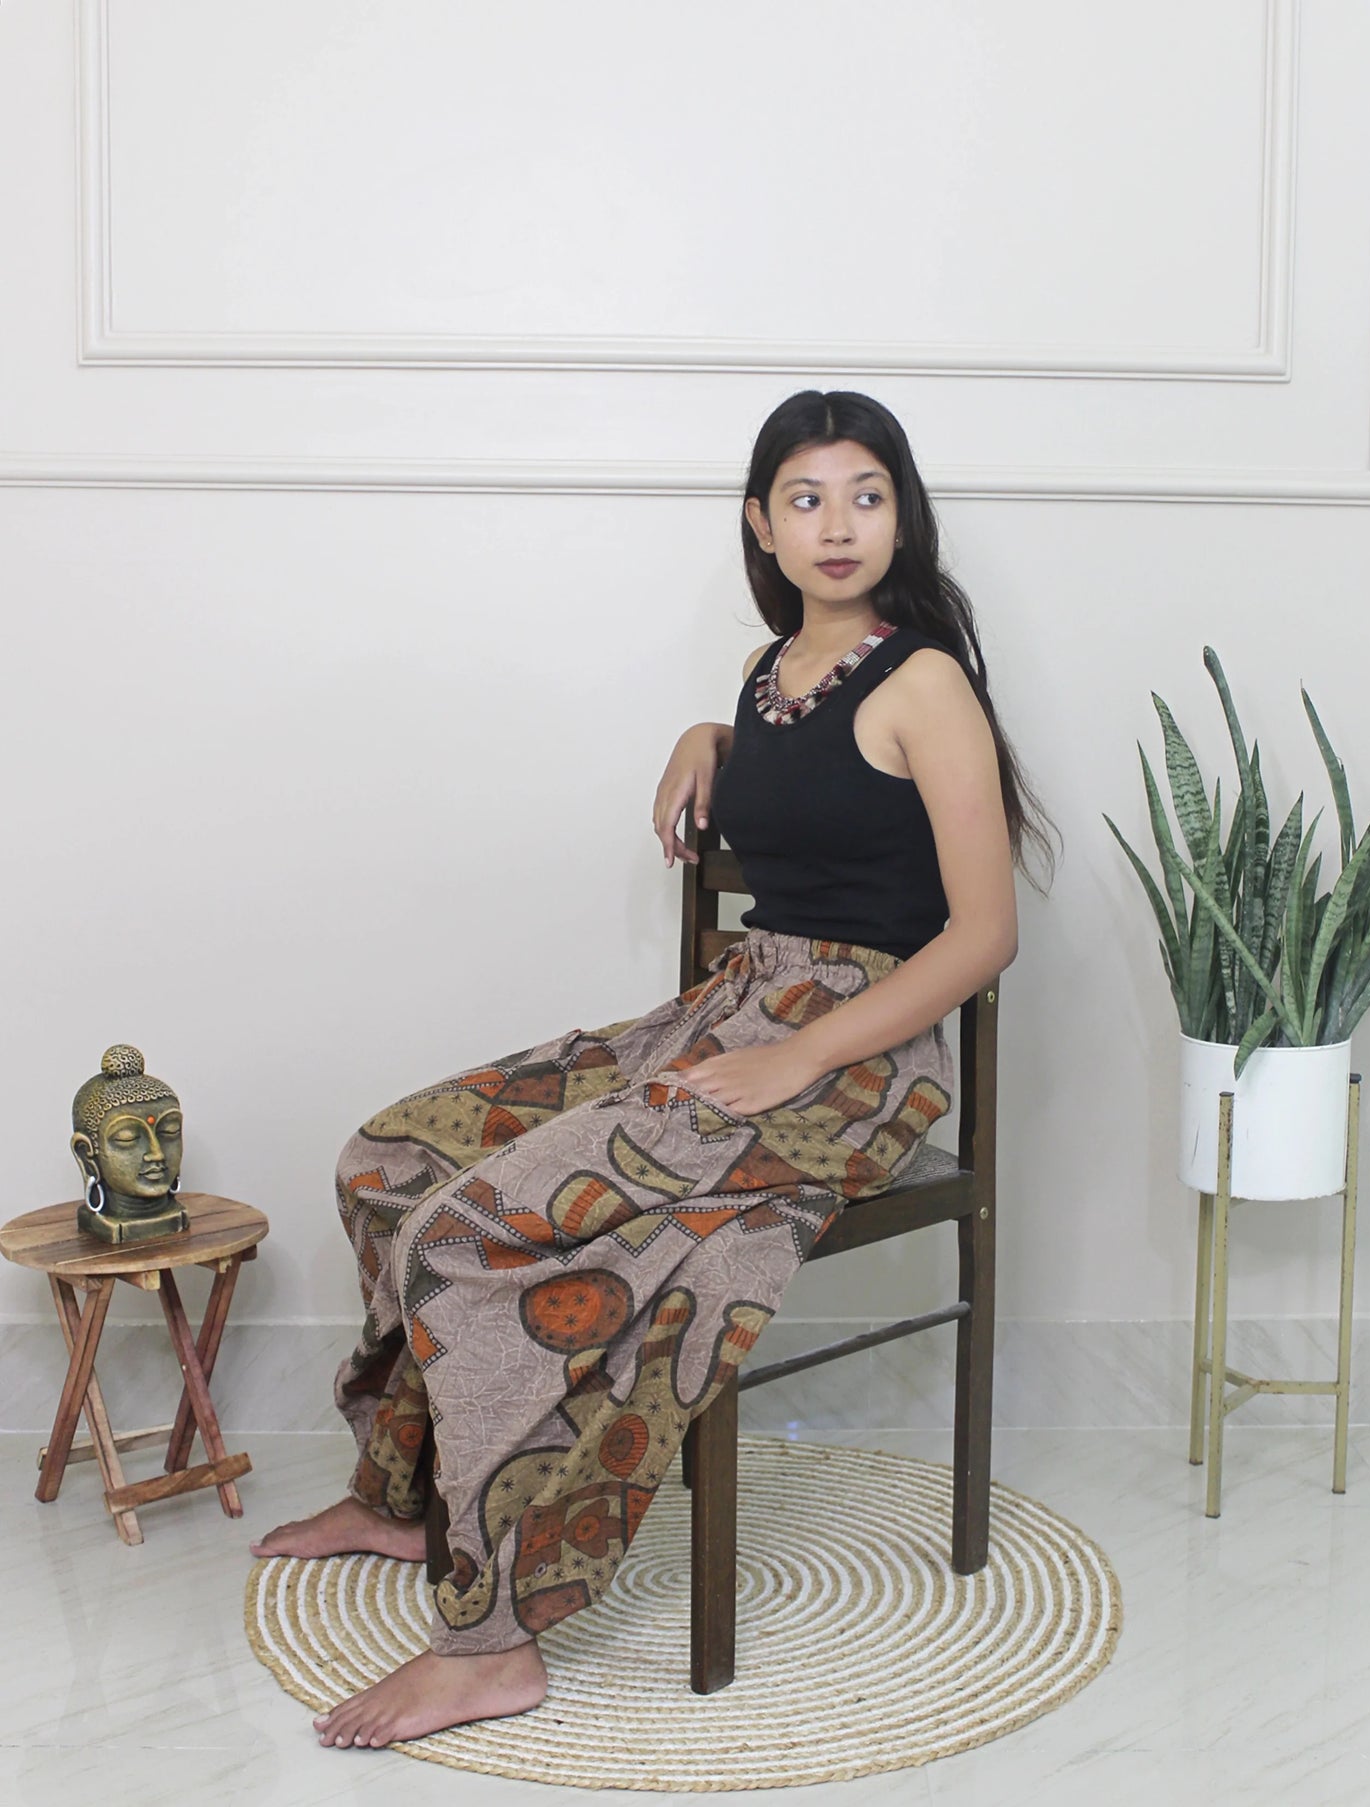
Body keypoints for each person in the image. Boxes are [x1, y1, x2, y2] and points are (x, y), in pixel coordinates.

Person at [251, 388, 1058, 1749]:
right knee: (385, 1161)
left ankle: (494, 1637)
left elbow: (984, 935)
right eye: (804, 498)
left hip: (856, 1058)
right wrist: (717, 736)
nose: (837, 524)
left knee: (470, 1237)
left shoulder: (923, 680)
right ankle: (402, 1499)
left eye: (865, 494)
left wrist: (799, 1054)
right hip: (730, 1011)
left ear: (901, 514)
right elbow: (820, 778)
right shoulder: (768, 677)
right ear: (759, 522)